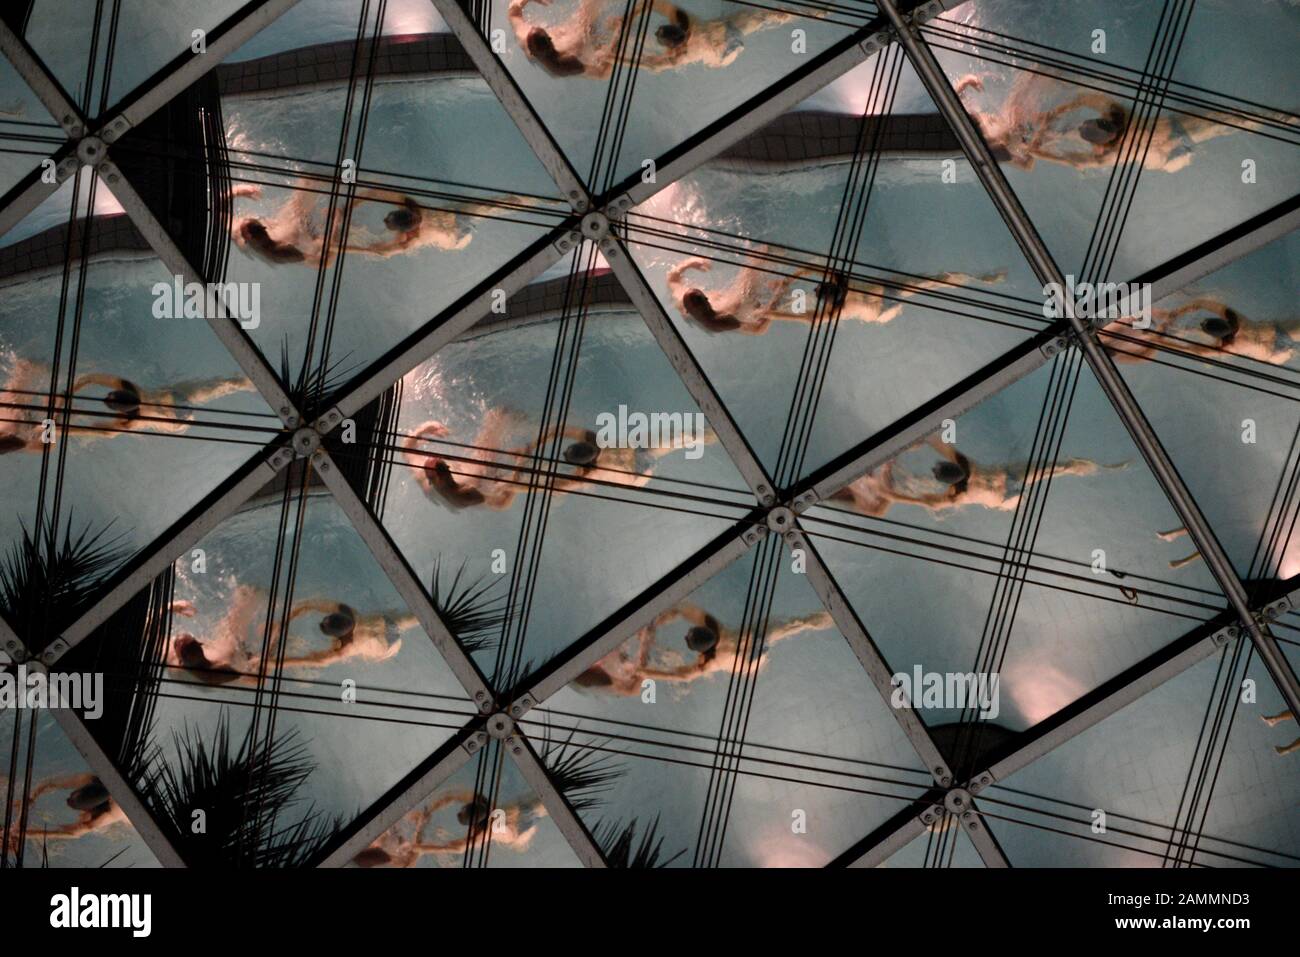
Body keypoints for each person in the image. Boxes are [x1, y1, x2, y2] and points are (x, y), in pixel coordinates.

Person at [954, 73, 1251, 174]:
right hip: (1167, 149)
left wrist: (964, 84)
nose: (990, 115)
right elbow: (1049, 162)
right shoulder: (1109, 151)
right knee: (1224, 125)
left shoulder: (1111, 141)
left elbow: (1089, 102)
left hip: (1166, 148)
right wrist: (1040, 147)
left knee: (1226, 124)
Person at [834, 434, 1126, 517]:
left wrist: (916, 440)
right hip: (1005, 495)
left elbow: (938, 443)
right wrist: (891, 495)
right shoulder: (959, 490)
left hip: (1005, 481)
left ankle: (1075, 467)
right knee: (1046, 470)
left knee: (1052, 468)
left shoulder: (963, 471)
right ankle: (1075, 468)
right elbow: (929, 503)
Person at [576, 602, 834, 694]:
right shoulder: (716, 629)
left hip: (748, 663)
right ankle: (818, 620)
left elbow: (682, 675)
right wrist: (669, 614)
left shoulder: (707, 664)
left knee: (754, 665)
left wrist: (646, 672)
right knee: (794, 624)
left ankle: (812, 623)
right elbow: (686, 607)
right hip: (754, 638)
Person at [401, 409, 531, 510]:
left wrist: (424, 429)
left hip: (477, 475)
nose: (434, 457)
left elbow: (406, 449)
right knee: (499, 416)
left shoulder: (422, 470)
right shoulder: (463, 492)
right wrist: (520, 463)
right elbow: (500, 502)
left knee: (497, 416)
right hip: (481, 478)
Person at [665, 253, 816, 335]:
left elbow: (672, 276)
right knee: (756, 265)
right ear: (707, 300)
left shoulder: (682, 298)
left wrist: (691, 263)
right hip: (743, 311)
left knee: (756, 261)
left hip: (735, 305)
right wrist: (778, 295)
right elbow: (758, 329)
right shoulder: (722, 319)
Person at [632, 3, 801, 72]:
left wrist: (610, 57)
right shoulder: (688, 24)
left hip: (724, 54)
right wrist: (628, 18)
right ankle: (797, 14)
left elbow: (653, 66)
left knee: (737, 21)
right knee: (759, 17)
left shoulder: (681, 56)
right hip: (725, 36)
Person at [70, 372, 255, 435]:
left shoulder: (133, 422)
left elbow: (100, 431)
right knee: (230, 384)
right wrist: (70, 392)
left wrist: (56, 429)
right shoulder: (131, 388)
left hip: (177, 421)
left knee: (226, 385)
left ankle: (248, 383)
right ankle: (249, 382)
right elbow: (91, 378)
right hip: (177, 396)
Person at [3, 773, 127, 855]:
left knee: (105, 829)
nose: (67, 800)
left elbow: (72, 833)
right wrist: (31, 798)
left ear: (90, 810)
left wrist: (25, 834)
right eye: (71, 795)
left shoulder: (109, 814)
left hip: (125, 820)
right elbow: (49, 783)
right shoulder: (90, 779)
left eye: (73, 804)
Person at [277, 599, 416, 669]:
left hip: (389, 646)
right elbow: (310, 604)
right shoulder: (348, 612)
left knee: (378, 653)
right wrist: (282, 621)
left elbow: (315, 661)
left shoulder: (346, 648)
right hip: (388, 623)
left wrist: (269, 664)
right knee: (411, 619)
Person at [508, 0, 629, 78]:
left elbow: (513, 10)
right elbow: (602, 73)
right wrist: (618, 34)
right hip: (591, 40)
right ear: (550, 40)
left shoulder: (524, 35)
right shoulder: (563, 64)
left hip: (580, 25)